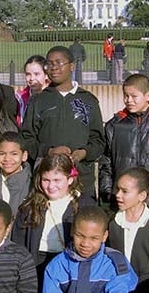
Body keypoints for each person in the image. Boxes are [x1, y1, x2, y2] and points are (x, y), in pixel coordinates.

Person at [21, 46, 105, 198]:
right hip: (47, 182)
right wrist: (49, 151)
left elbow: (99, 142)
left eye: (59, 63)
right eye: (49, 64)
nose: (53, 68)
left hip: (81, 181)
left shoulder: (88, 100)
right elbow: (26, 140)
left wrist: (83, 153)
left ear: (71, 66)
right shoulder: (38, 101)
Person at [99, 74, 149, 206]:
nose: (129, 100)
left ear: (148, 96)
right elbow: (106, 161)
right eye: (126, 96)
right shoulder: (114, 125)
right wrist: (107, 191)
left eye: (134, 96)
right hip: (122, 196)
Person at [11, 153, 95, 270]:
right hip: (37, 262)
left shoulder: (85, 205)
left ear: (70, 179)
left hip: (70, 263)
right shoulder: (30, 207)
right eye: (46, 180)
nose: (51, 186)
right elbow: (18, 242)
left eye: (57, 180)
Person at [15, 55, 50, 127]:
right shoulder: (19, 98)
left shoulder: (55, 96)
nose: (32, 78)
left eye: (36, 74)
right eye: (28, 74)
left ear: (46, 75)